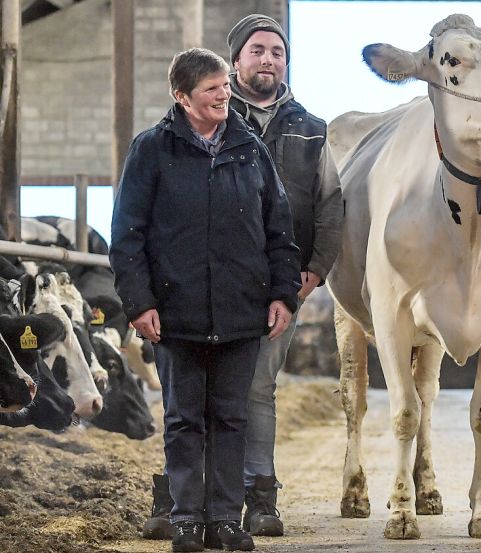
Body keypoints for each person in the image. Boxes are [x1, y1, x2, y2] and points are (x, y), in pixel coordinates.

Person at [140, 14, 344, 541]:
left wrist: (306, 275)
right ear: (235, 63)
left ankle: (251, 502)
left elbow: (320, 209)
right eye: (258, 50)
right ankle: (183, 507)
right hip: (184, 296)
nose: (269, 60)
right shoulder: (165, 143)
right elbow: (133, 228)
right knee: (187, 405)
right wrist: (141, 297)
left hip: (266, 292)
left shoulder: (307, 129)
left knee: (249, 398)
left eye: (278, 51)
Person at [111, 47, 300, 553]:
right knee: (182, 419)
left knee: (231, 418)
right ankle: (187, 520)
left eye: (224, 85)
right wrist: (139, 303)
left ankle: (225, 520)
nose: (224, 94)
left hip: (241, 309)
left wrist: (283, 294)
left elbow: (279, 228)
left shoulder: (250, 147)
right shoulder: (152, 149)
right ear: (182, 96)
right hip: (176, 313)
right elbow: (128, 235)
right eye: (212, 88)